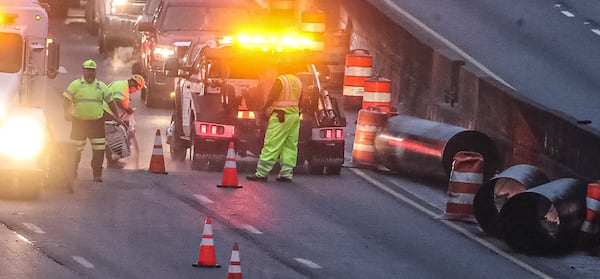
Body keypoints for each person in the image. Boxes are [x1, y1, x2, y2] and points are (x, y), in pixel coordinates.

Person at [63, 59, 121, 182]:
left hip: (97, 124)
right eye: (88, 70)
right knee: (75, 150)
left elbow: (111, 102)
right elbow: (66, 99)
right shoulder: (76, 85)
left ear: (95, 72)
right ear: (83, 71)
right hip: (79, 123)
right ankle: (72, 172)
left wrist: (117, 116)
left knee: (99, 150)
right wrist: (66, 113)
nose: (90, 73)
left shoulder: (102, 87)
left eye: (92, 71)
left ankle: (97, 175)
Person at [247, 73, 303, 182]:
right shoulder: (298, 81)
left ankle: (261, 173)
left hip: (280, 117)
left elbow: (271, 97)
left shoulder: (280, 80)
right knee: (290, 145)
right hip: (294, 117)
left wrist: (264, 109)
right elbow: (301, 101)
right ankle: (286, 174)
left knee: (272, 143)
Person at [104, 75, 145, 169]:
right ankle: (111, 162)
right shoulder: (123, 86)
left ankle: (113, 160)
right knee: (113, 137)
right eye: (136, 88)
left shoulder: (122, 85)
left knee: (113, 136)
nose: (135, 91)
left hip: (108, 112)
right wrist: (127, 109)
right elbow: (116, 100)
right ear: (133, 83)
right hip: (107, 111)